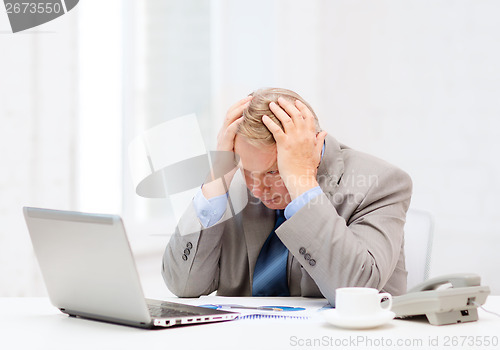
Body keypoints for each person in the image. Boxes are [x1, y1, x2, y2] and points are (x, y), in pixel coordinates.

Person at [162, 87, 412, 303]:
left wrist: (301, 183)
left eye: (274, 171)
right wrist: (217, 177)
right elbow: (183, 285)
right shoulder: (231, 183)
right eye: (248, 171)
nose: (258, 189)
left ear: (313, 148)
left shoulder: (381, 183)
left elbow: (356, 290)